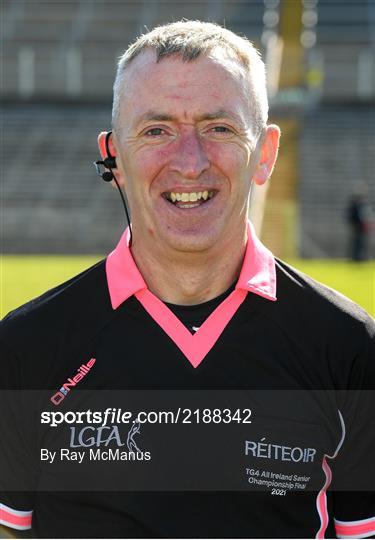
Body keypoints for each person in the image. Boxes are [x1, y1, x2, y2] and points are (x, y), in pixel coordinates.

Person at [1, 20, 374, 540]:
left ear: (264, 154)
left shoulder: (350, 348)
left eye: (219, 127)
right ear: (116, 158)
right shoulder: (24, 348)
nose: (190, 162)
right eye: (157, 130)